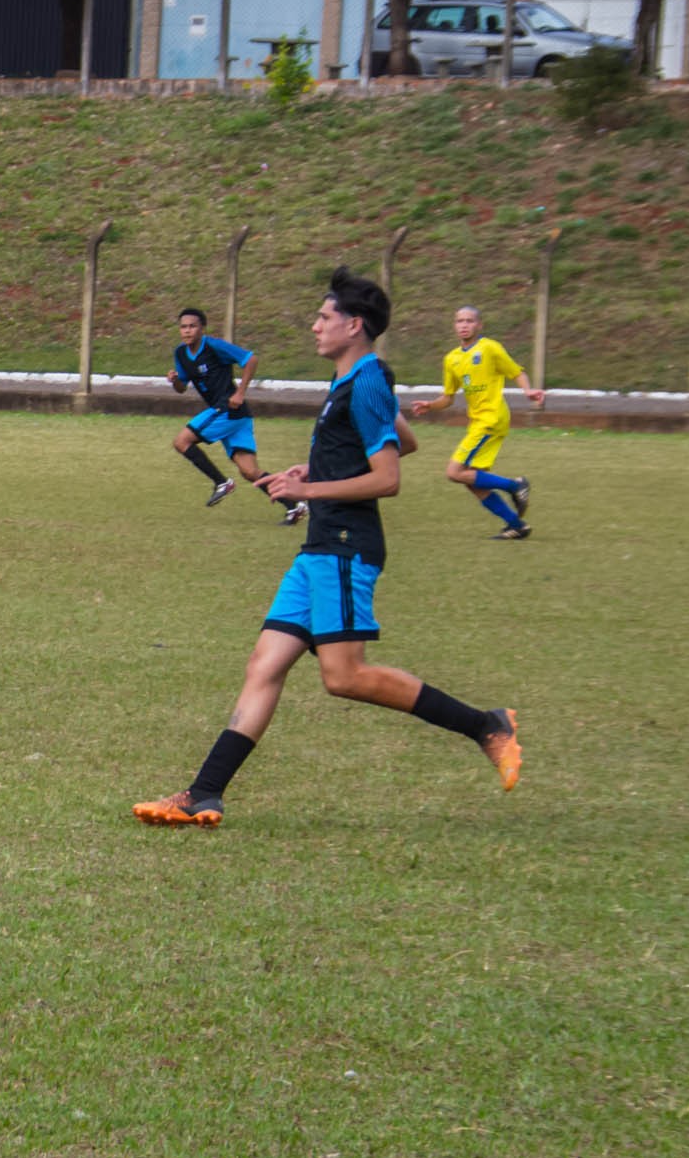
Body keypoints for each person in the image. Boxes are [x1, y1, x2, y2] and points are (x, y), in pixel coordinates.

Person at [133, 269, 522, 830]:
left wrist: (308, 488)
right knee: (264, 664)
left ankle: (487, 725)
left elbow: (389, 476)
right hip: (318, 548)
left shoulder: (364, 380)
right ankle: (203, 793)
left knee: (344, 676)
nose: (314, 326)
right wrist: (316, 467)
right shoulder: (355, 380)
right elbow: (404, 440)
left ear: (354, 325)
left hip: (345, 546)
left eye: (324, 317)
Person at [407, 305, 543, 540]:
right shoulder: (452, 359)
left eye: (469, 321)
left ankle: (515, 485)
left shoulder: (489, 348)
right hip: (478, 422)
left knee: (454, 472)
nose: (464, 325)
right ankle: (516, 525)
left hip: (492, 418)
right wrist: (431, 405)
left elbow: (516, 372)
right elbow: (448, 398)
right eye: (460, 321)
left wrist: (528, 390)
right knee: (473, 481)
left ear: (479, 325)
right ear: (454, 325)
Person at [167, 307, 304, 525]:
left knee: (181, 441)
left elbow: (251, 359)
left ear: (202, 328)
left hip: (228, 409)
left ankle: (221, 482)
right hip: (235, 416)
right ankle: (294, 505)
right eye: (183, 327)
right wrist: (175, 381)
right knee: (250, 471)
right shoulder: (181, 353)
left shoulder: (214, 346)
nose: (187, 331)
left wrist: (240, 391)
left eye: (192, 326)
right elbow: (182, 387)